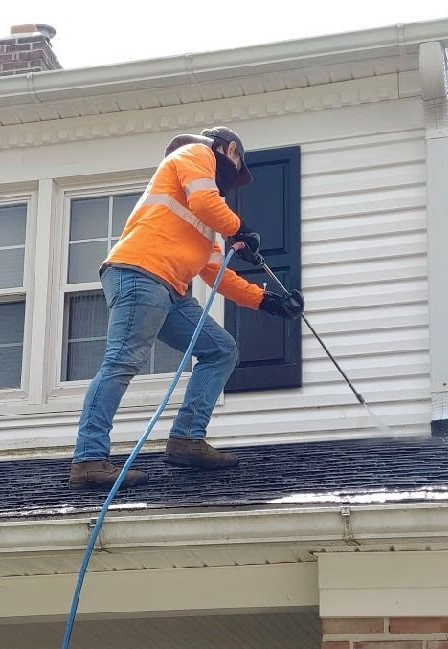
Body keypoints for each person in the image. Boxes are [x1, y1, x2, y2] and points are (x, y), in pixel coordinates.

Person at [69, 127, 304, 490]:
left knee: (221, 349)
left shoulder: (204, 226)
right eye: (236, 166)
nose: (231, 185)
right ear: (228, 150)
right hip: (140, 273)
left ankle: (186, 440)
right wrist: (240, 228)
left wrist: (267, 301)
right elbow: (208, 203)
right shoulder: (194, 155)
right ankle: (88, 459)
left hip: (169, 289)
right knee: (121, 361)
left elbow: (216, 274)